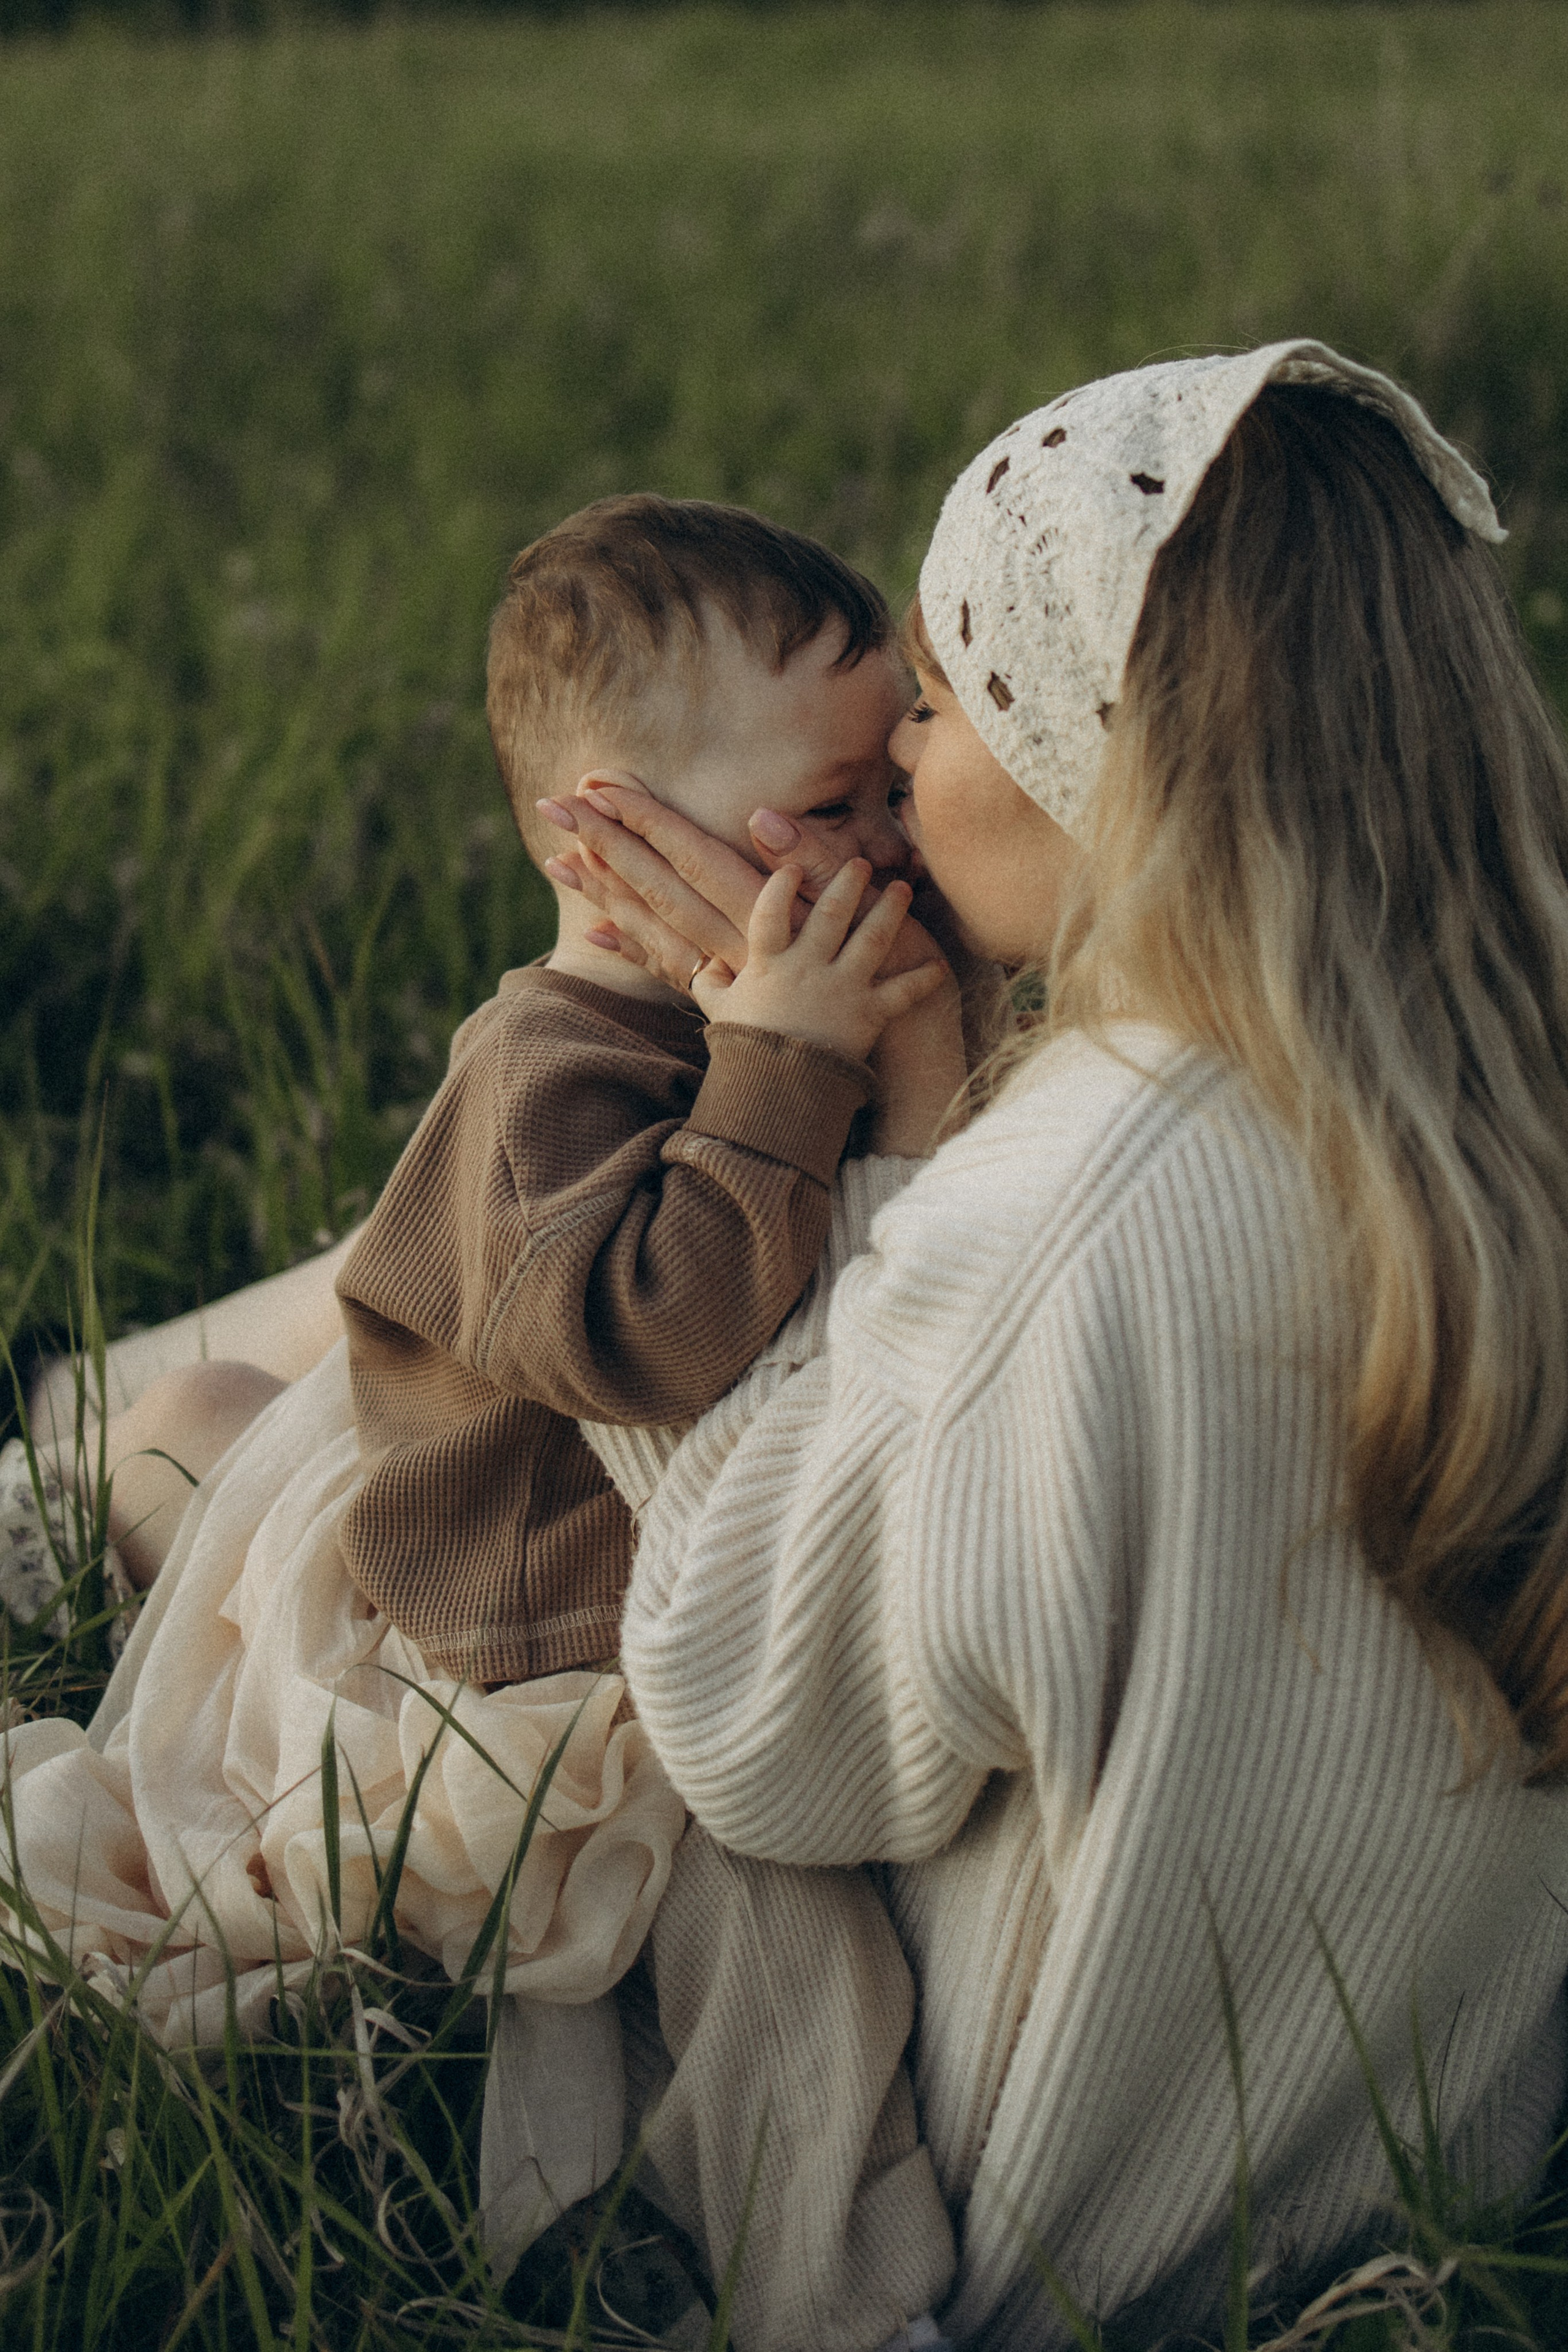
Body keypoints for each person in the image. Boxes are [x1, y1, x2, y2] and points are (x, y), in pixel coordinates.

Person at [540, 342, 1568, 2345]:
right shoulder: (1499, 1101)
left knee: (348, 1496)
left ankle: (90, 1459)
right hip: (1446, 2200)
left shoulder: (1085, 1193)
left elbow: (758, 1730)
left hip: (1087, 2258)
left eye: (933, 701)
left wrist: (796, 1144)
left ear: (1098, 742)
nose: (904, 770)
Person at [1, 497, 962, 2352]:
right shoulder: (543, 1077)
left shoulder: (743, 1015)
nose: (887, 841)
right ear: (601, 846)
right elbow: (630, 1338)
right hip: (530, 1662)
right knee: (789, 1968)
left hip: (643, 1613)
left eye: (888, 784)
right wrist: (787, 1068)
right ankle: (834, 2307)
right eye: (831, 803)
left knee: (788, 1971)